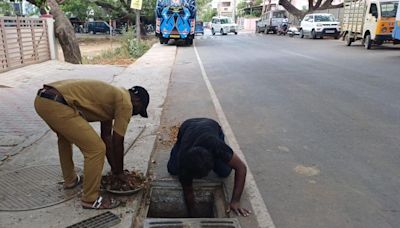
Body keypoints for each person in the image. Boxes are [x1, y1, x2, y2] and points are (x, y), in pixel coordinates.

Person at [34, 79, 149, 209]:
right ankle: (90, 199)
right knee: (96, 149)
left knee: (65, 138)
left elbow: (107, 137)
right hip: (58, 104)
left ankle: (70, 180)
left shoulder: (115, 97)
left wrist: (115, 170)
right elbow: (118, 142)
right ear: (137, 101)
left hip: (43, 100)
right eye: (138, 111)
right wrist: (120, 172)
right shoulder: (126, 104)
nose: (134, 115)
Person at [167, 118, 251, 217]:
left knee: (224, 172)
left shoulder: (216, 145)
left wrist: (235, 201)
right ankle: (177, 146)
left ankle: (228, 153)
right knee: (173, 169)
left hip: (211, 125)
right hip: (187, 126)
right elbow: (188, 191)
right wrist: (193, 213)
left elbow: (241, 168)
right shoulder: (184, 161)